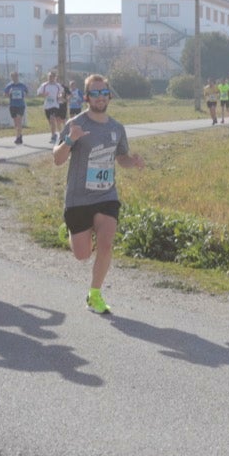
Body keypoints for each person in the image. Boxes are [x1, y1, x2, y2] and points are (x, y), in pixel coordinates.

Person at [53, 75, 142, 314]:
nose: (100, 97)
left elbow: (121, 158)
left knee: (106, 243)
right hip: (78, 198)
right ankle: (71, 231)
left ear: (109, 96)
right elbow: (58, 159)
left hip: (106, 196)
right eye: (95, 93)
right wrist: (70, 140)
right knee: (82, 255)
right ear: (86, 97)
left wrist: (131, 162)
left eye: (104, 93)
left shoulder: (116, 128)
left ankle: (95, 294)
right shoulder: (76, 124)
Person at [40, 71, 66, 143]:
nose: (51, 78)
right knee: (51, 122)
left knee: (52, 118)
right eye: (49, 76)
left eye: (52, 76)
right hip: (47, 106)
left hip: (55, 105)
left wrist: (60, 96)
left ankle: (53, 136)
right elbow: (39, 93)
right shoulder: (44, 85)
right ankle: (54, 133)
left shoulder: (57, 85)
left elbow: (62, 92)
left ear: (55, 77)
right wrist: (44, 94)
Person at [3, 71, 29, 144]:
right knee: (15, 123)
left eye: (16, 76)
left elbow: (27, 93)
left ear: (18, 77)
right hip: (12, 105)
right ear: (11, 77)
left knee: (19, 121)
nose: (14, 78)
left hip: (20, 105)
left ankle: (18, 138)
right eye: (13, 76)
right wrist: (9, 93)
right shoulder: (9, 86)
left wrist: (24, 94)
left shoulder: (22, 85)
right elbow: (5, 95)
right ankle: (19, 135)